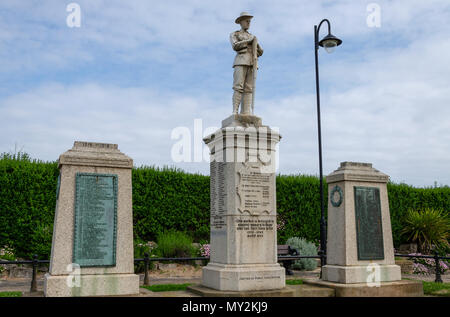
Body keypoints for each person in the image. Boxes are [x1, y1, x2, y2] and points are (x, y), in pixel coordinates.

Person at [230, 12, 263, 115]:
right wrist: (249, 41)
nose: (248, 23)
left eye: (249, 21)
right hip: (240, 61)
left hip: (252, 62)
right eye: (246, 21)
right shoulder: (235, 34)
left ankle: (246, 112)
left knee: (249, 88)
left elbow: (260, 51)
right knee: (238, 87)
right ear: (241, 22)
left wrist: (256, 45)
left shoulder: (253, 36)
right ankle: (235, 111)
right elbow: (235, 46)